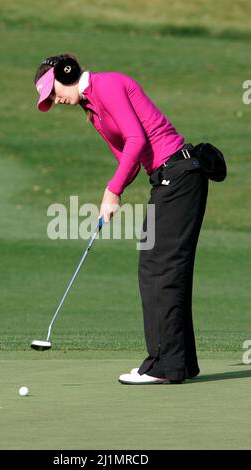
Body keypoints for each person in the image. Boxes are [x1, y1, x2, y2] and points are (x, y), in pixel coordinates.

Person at [34, 53, 210, 385]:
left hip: (180, 173)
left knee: (157, 268)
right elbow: (124, 155)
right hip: (168, 178)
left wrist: (111, 190)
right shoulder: (92, 109)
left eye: (53, 91)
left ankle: (162, 365)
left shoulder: (109, 85)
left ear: (66, 73)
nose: (55, 100)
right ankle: (180, 362)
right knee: (165, 268)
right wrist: (116, 194)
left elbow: (138, 139)